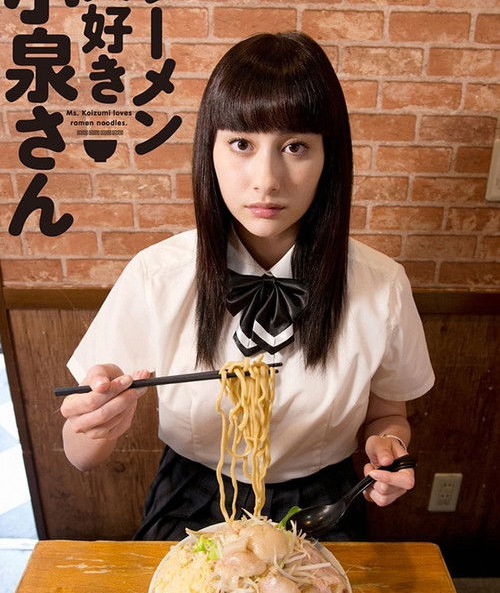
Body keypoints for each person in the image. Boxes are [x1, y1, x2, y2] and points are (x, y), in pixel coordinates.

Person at [60, 31, 434, 541]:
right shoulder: (157, 275)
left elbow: (389, 414)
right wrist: (95, 422)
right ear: (210, 152)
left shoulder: (381, 285)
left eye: (296, 147)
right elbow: (81, 457)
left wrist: (388, 446)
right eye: (241, 144)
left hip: (323, 499)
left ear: (329, 158)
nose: (267, 179)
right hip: (193, 494)